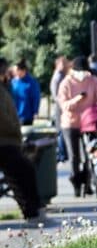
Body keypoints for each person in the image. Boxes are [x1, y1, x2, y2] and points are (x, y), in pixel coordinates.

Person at [56, 59, 97, 196]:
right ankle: (76, 183)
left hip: (89, 123)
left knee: (90, 154)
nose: (84, 75)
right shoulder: (66, 83)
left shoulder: (93, 80)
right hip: (70, 123)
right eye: (81, 72)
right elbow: (63, 105)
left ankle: (88, 183)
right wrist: (77, 99)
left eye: (86, 72)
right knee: (74, 156)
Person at [0, 70, 45, 221]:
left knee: (26, 170)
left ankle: (34, 209)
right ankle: (31, 211)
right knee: (21, 171)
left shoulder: (4, 90)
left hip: (9, 140)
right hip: (5, 142)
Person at [9, 62, 42, 132]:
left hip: (26, 116)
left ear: (23, 71)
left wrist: (35, 111)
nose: (14, 72)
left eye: (16, 70)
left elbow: (36, 98)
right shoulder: (13, 82)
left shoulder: (32, 83)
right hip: (13, 116)